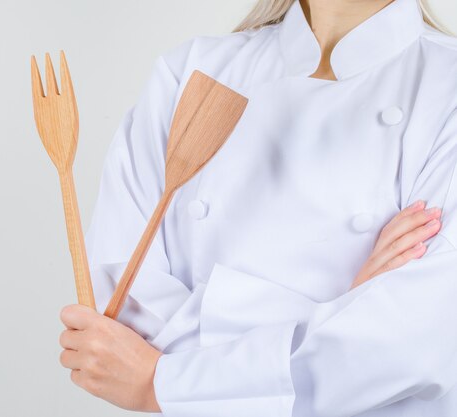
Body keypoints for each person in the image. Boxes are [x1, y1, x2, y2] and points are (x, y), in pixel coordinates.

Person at [57, 0, 457, 415]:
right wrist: (343, 313)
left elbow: (405, 347)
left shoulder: (447, 87)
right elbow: (124, 304)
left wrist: (161, 383)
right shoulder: (193, 70)